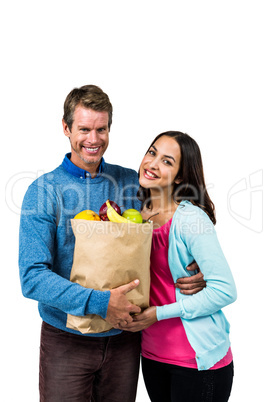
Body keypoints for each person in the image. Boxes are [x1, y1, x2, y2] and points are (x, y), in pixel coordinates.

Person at [19, 86, 205, 402]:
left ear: (109, 129)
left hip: (126, 341)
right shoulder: (44, 192)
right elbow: (32, 277)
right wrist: (101, 303)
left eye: (101, 129)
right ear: (66, 128)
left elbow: (171, 224)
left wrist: (193, 265)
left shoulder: (132, 182)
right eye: (84, 129)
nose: (93, 139)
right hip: (67, 342)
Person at [119, 131, 237, 402]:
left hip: (196, 361)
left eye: (167, 161)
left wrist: (159, 314)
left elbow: (225, 290)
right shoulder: (135, 215)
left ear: (181, 177)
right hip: (151, 355)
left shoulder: (190, 219)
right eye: (152, 153)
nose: (153, 163)